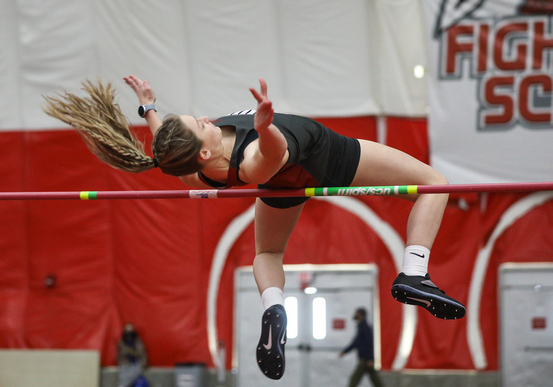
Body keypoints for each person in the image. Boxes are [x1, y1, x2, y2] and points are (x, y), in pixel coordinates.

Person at [43, 76, 466, 380]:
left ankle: (273, 308)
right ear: (207, 148)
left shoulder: (197, 172)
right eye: (203, 123)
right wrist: (264, 128)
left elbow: (169, 151)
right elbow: (274, 154)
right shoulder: (247, 162)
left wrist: (150, 108)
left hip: (281, 180)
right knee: (434, 184)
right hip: (320, 154)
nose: (208, 118)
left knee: (267, 254)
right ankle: (414, 272)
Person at [339, 308, 384, 387]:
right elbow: (355, 343)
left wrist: (371, 358)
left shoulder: (365, 328)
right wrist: (344, 351)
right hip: (365, 359)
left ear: (361, 315)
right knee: (376, 381)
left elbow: (370, 343)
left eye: (357, 314)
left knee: (354, 380)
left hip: (365, 359)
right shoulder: (361, 327)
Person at [117, 323, 148, 387]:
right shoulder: (121, 343)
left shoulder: (138, 343)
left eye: (130, 332)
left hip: (137, 366)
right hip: (125, 367)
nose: (129, 334)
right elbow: (120, 358)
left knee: (141, 383)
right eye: (127, 332)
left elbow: (143, 356)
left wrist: (141, 364)